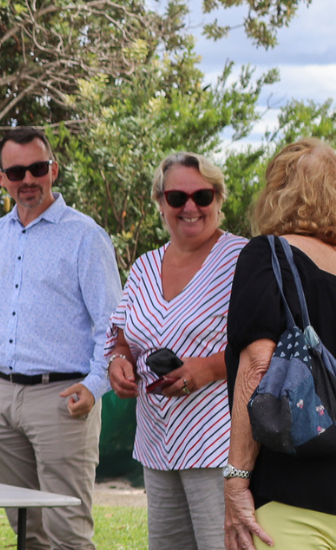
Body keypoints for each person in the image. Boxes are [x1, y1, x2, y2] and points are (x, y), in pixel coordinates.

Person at [0, 127, 120, 550]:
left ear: (53, 169)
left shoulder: (85, 236)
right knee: (25, 531)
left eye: (37, 168)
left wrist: (95, 387)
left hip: (62, 399)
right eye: (16, 171)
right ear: (0, 177)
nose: (28, 180)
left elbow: (111, 326)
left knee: (68, 533)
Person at [104, 153, 245, 550]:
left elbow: (265, 343)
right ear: (160, 202)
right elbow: (121, 336)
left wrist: (212, 368)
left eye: (202, 195)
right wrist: (119, 362)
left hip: (217, 440)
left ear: (218, 198)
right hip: (157, 442)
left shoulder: (243, 259)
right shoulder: (145, 266)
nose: (189, 207)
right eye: (176, 197)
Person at [223, 137, 336, 550]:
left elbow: (257, 365)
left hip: (292, 499)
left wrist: (236, 482)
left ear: (276, 191)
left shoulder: (267, 255)